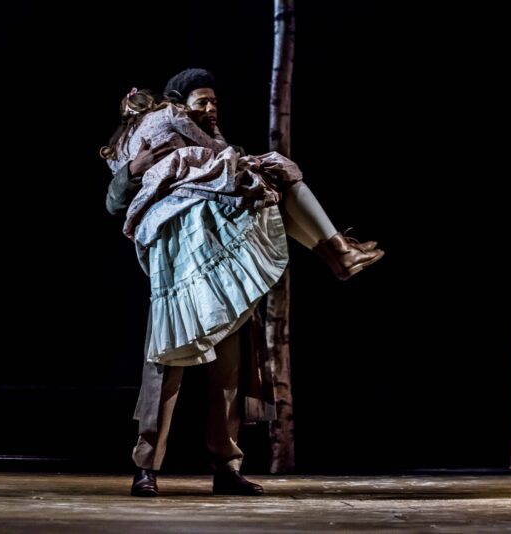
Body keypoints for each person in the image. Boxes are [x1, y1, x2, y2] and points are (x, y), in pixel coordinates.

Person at [103, 68, 383, 497]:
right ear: (179, 105)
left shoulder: (209, 147)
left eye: (215, 102)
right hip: (181, 260)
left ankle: (227, 466)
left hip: (221, 261)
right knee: (166, 364)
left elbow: (231, 172)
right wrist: (134, 170)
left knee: (230, 371)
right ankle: (146, 468)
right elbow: (114, 200)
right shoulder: (156, 133)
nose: (212, 109)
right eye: (203, 102)